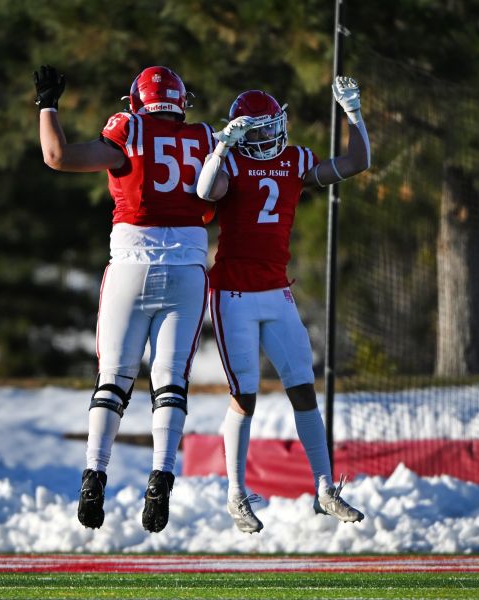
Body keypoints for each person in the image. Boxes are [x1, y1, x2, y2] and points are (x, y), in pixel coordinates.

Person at [35, 64, 219, 532]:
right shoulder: (204, 139)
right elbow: (231, 189)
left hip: (131, 263)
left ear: (136, 102)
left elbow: (56, 157)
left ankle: (94, 473)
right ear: (180, 103)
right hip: (186, 269)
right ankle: (161, 476)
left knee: (113, 379)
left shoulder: (127, 128)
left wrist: (47, 104)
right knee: (170, 381)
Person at [194, 77, 371, 533]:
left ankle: (326, 488)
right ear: (239, 132)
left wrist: (353, 114)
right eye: (256, 129)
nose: (268, 137)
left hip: (277, 290)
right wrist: (219, 148)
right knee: (244, 397)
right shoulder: (228, 160)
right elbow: (204, 192)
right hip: (233, 293)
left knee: (302, 389)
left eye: (271, 126)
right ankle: (236, 494)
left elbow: (356, 162)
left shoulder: (295, 160)